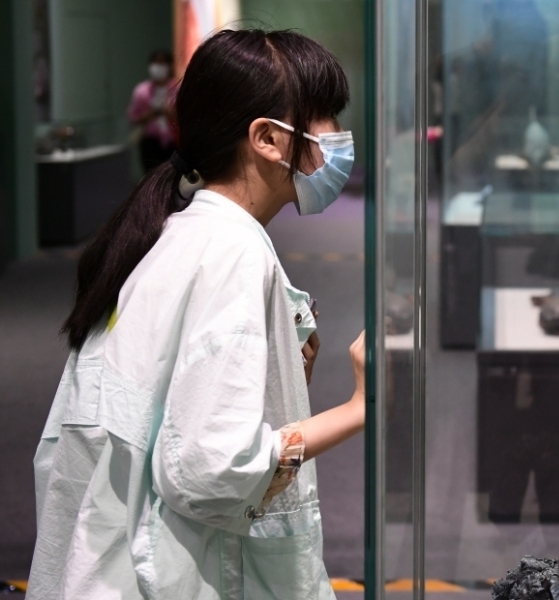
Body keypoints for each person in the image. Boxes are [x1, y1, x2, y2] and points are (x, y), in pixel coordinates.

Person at [28, 30, 363, 600]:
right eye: (324, 116)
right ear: (267, 138)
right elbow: (215, 470)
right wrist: (363, 406)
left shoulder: (175, 234)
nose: (337, 137)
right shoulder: (232, 251)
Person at [127, 50, 178, 172]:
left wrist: (170, 112)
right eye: (155, 63)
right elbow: (133, 118)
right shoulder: (141, 90)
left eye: (162, 63)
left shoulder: (177, 88)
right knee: (152, 178)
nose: (158, 67)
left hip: (173, 143)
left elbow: (186, 115)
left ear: (169, 66)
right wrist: (149, 114)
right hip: (150, 143)